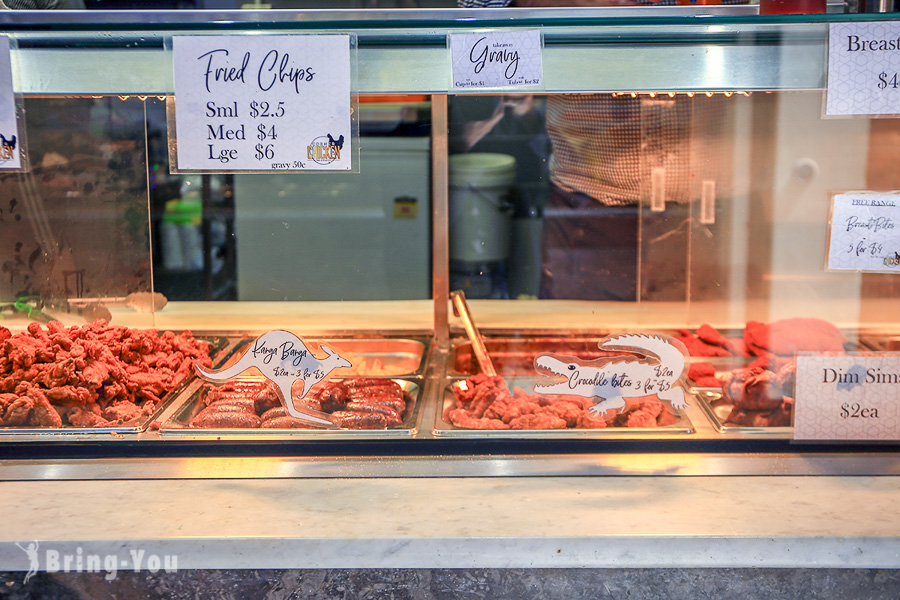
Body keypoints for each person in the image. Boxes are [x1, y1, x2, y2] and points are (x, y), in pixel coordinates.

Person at [456, 0, 739, 301]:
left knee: (728, 343)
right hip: (595, 205)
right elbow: (475, 11)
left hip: (722, 203)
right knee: (580, 344)